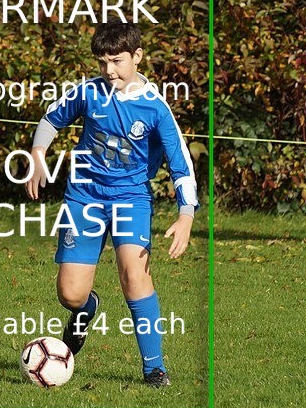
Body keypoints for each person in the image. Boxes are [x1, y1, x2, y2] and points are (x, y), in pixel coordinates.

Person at [25, 20, 198, 387]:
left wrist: (186, 215)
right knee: (71, 295)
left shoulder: (154, 108)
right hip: (84, 197)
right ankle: (87, 310)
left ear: (137, 56)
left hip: (130, 199)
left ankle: (154, 368)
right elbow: (50, 120)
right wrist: (38, 154)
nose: (109, 70)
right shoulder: (88, 92)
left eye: (117, 61)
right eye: (103, 62)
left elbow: (180, 163)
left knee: (134, 277)